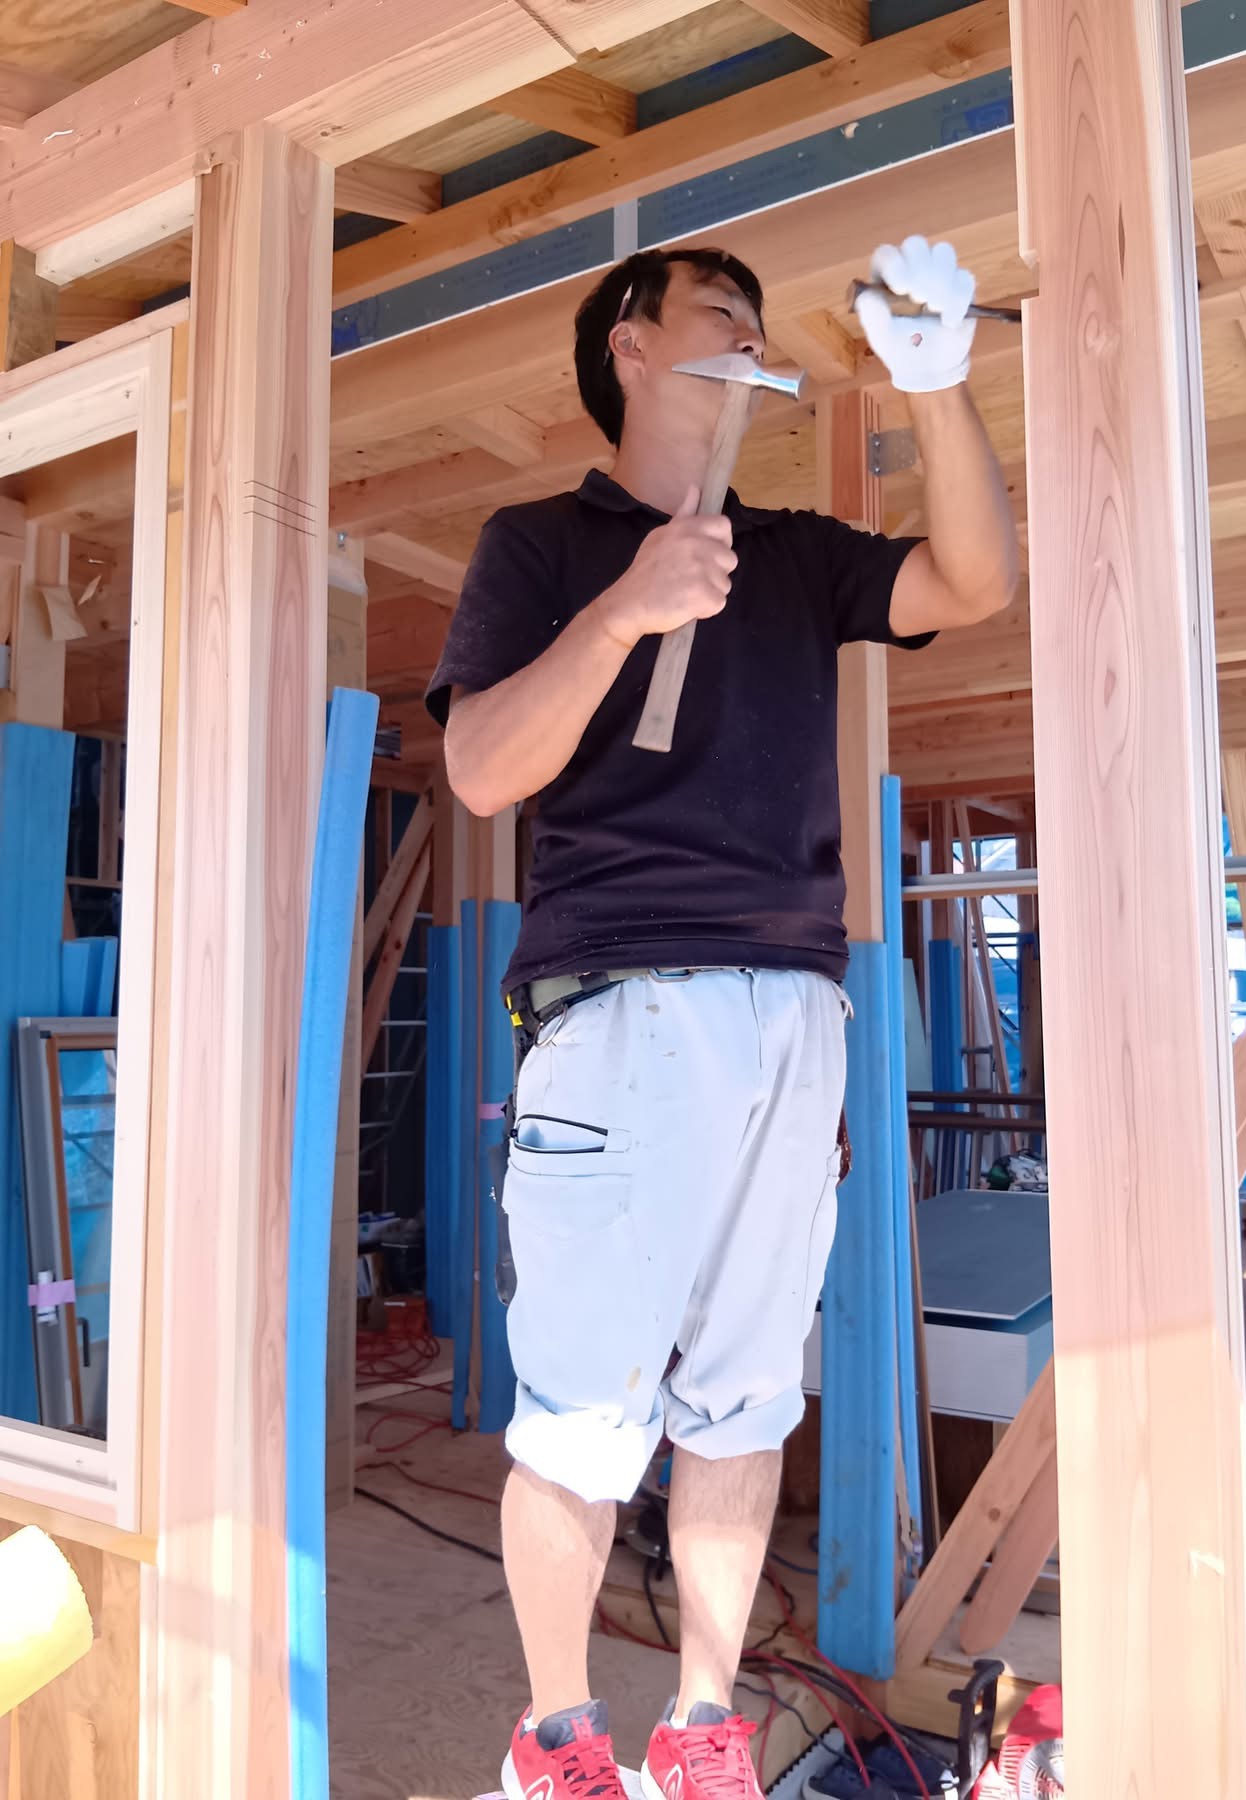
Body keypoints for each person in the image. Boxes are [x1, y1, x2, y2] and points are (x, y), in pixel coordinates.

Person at [425, 234, 1018, 1800]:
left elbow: (973, 581)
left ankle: (701, 1729)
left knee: (745, 1405)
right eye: (715, 311)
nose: (750, 331)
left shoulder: (796, 557)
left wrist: (941, 388)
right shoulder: (541, 545)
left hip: (795, 1017)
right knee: (582, 1419)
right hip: (622, 1010)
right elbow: (480, 770)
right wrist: (627, 608)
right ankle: (557, 1741)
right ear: (630, 345)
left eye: (758, 320)